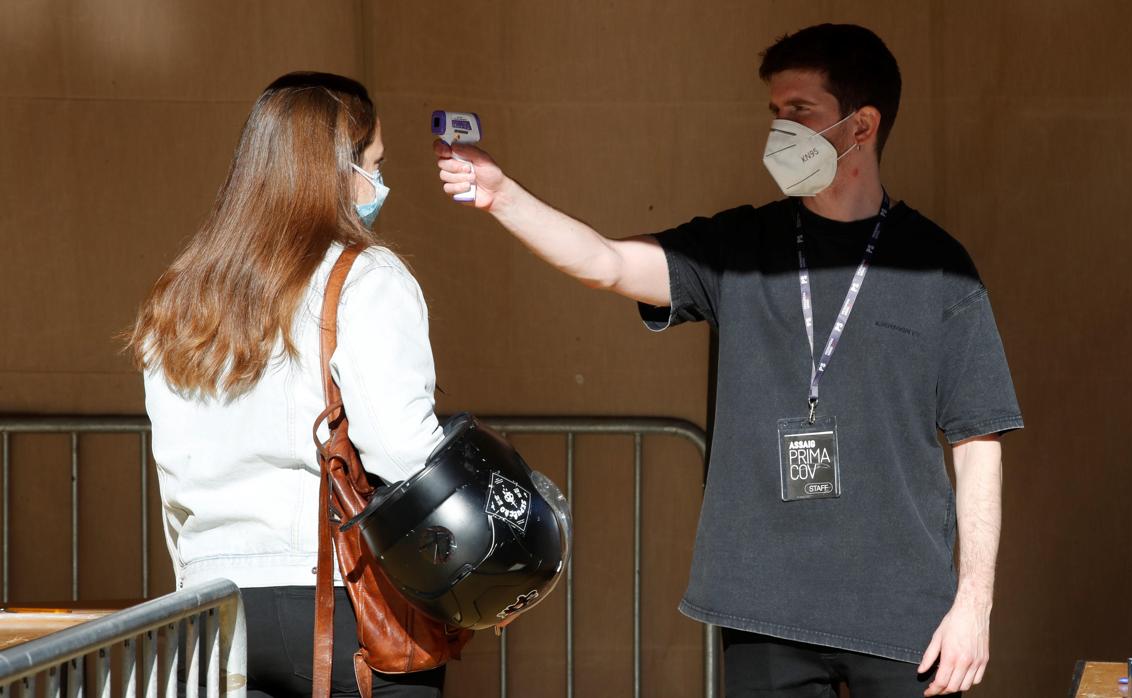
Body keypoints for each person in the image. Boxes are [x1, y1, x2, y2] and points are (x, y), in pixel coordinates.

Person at [435, 24, 1022, 697]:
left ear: (862, 125)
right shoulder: (739, 245)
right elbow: (606, 261)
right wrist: (502, 194)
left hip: (901, 612)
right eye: (774, 113)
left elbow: (979, 441)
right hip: (762, 606)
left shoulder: (938, 269)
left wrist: (974, 605)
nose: (780, 131)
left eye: (800, 111)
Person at [129, 72, 447, 697]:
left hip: (208, 612)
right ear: (337, 170)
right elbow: (403, 452)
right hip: (334, 599)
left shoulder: (178, 297)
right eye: (374, 165)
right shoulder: (365, 276)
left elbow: (173, 480)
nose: (382, 185)